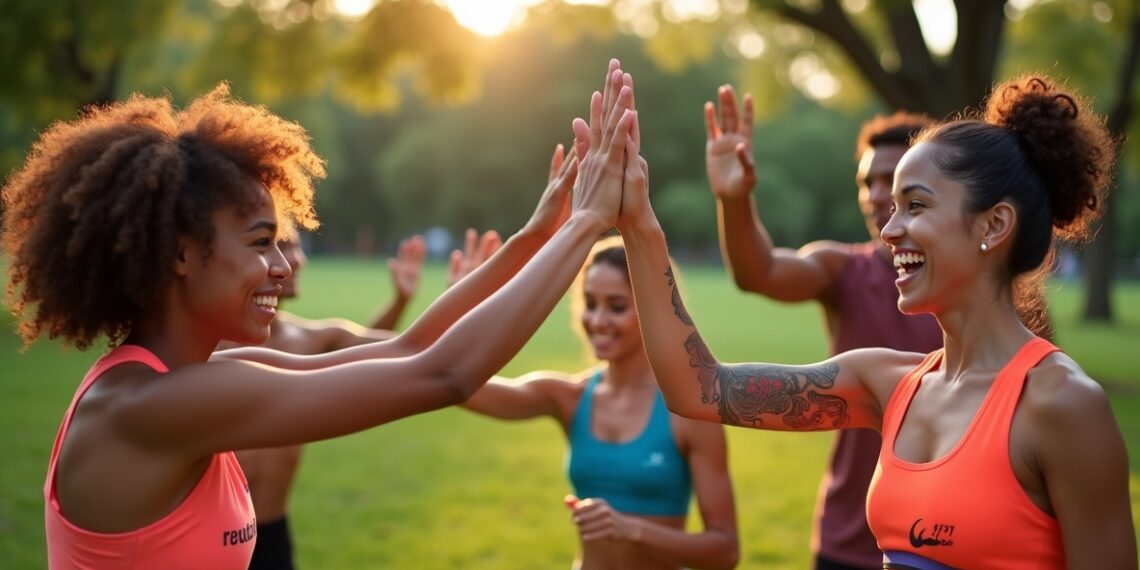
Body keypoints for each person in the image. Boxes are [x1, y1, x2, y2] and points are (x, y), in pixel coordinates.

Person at [2, 58, 637, 569]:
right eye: (259, 243)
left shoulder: (193, 377)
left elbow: (408, 347)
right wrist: (584, 227)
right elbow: (444, 374)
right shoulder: (154, 406)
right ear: (180, 254)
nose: (283, 267)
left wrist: (534, 237)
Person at [618, 75, 1136, 568]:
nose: (890, 229)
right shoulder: (884, 384)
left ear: (994, 224)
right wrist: (640, 227)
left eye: (915, 205)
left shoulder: (1062, 406)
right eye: (891, 207)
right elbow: (699, 390)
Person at [704, 86, 941, 569]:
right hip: (847, 540)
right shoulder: (843, 270)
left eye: (890, 181)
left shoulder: (978, 291)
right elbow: (760, 273)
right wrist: (733, 199)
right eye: (866, 182)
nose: (876, 196)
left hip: (944, 542)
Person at [225, 225, 500, 570]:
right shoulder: (211, 351)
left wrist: (443, 299)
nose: (296, 260)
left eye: (295, 247)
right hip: (218, 536)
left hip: (275, 535)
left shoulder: (310, 339)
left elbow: (394, 352)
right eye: (279, 245)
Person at [461, 236, 739, 570]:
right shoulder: (569, 397)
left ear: (653, 309)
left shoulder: (687, 411)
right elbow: (457, 385)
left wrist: (631, 529)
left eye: (616, 306)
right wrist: (466, 304)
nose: (597, 320)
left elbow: (724, 551)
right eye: (590, 303)